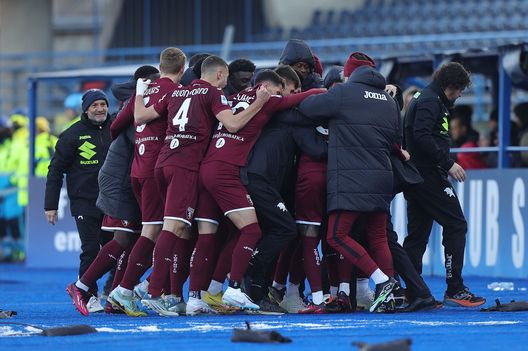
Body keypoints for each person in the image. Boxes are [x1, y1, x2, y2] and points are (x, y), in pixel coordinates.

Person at [132, 55, 270, 315]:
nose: (226, 82)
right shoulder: (213, 93)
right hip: (185, 166)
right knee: (173, 229)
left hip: (163, 163)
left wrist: (140, 93)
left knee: (180, 230)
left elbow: (140, 116)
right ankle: (153, 291)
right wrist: (260, 103)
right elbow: (233, 123)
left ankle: (167, 291)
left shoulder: (178, 91)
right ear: (219, 75)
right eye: (226, 77)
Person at [187, 69, 324, 314]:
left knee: (218, 234)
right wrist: (326, 91)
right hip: (227, 171)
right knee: (252, 230)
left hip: (208, 167)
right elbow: (298, 100)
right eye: (278, 91)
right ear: (265, 87)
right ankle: (235, 287)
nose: (280, 97)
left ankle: (200, 295)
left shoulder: (234, 98)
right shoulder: (266, 99)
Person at [298, 54, 403, 313]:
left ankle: (382, 281)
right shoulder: (389, 100)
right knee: (378, 238)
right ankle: (389, 295)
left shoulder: (344, 93)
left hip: (352, 177)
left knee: (336, 235)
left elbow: (308, 108)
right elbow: (396, 139)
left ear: (349, 74)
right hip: (382, 176)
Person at [65, 66, 159, 316]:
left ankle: (116, 294)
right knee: (128, 239)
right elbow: (120, 125)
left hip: (130, 178)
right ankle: (83, 286)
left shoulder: (140, 102)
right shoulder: (135, 103)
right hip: (121, 181)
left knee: (136, 240)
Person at [107, 50, 186, 317]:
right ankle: (131, 290)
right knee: (158, 231)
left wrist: (136, 144)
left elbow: (116, 125)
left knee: (159, 229)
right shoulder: (175, 91)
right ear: (182, 68)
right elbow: (141, 118)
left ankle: (145, 288)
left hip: (138, 169)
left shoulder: (142, 91)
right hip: (158, 170)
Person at [403, 62, 485, 307]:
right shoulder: (430, 100)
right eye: (459, 89)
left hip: (416, 176)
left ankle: (414, 290)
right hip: (429, 174)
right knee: (456, 225)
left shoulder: (423, 97)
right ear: (451, 86)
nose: (460, 95)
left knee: (417, 235)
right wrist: (448, 163)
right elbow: (422, 135)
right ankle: (455, 288)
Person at [45, 89, 112, 305]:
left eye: (103, 104)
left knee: (117, 251)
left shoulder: (117, 129)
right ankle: (88, 295)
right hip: (85, 202)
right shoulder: (71, 135)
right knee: (91, 250)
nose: (100, 109)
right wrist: (50, 205)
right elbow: (55, 170)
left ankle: (113, 292)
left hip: (114, 202)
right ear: (86, 109)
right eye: (95, 105)